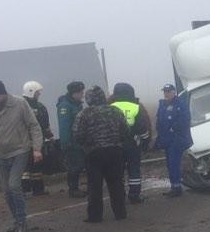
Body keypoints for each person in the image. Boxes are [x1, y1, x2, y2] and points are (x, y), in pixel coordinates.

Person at [0, 79, 43, 232]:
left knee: (14, 185)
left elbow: (33, 125)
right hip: (0, 153)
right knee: (6, 191)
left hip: (19, 150)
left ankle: (23, 221)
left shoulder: (20, 104)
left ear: (4, 93)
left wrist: (36, 148)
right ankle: (16, 220)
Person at [73, 86, 129, 223]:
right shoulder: (116, 111)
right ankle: (120, 213)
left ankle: (95, 216)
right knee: (116, 183)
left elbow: (77, 135)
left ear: (89, 98)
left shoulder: (84, 114)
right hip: (115, 151)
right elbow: (125, 131)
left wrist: (86, 145)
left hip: (94, 153)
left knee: (94, 185)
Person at [110, 83, 151, 204]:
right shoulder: (136, 107)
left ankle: (119, 195)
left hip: (116, 144)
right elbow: (142, 127)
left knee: (118, 171)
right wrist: (145, 141)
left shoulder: (110, 107)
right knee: (134, 169)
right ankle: (134, 195)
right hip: (132, 143)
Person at [155, 83, 192, 198]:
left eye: (168, 91)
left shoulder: (180, 104)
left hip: (176, 138)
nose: (166, 94)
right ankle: (174, 186)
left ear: (174, 92)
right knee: (169, 164)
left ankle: (177, 188)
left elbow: (185, 119)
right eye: (165, 91)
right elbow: (159, 120)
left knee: (173, 162)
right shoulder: (162, 105)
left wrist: (174, 127)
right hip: (166, 139)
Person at [21, 80, 54, 195]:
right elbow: (44, 125)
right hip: (36, 142)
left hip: (21, 143)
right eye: (37, 93)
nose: (39, 95)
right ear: (31, 92)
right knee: (37, 166)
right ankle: (38, 190)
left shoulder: (18, 105)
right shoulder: (40, 107)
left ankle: (24, 191)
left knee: (24, 167)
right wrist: (50, 136)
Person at [57, 81, 87, 198]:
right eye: (80, 92)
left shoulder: (76, 104)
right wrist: (66, 142)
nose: (82, 95)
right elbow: (64, 125)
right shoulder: (65, 106)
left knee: (79, 165)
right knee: (75, 166)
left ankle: (75, 188)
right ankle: (73, 189)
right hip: (71, 143)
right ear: (74, 93)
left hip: (78, 142)